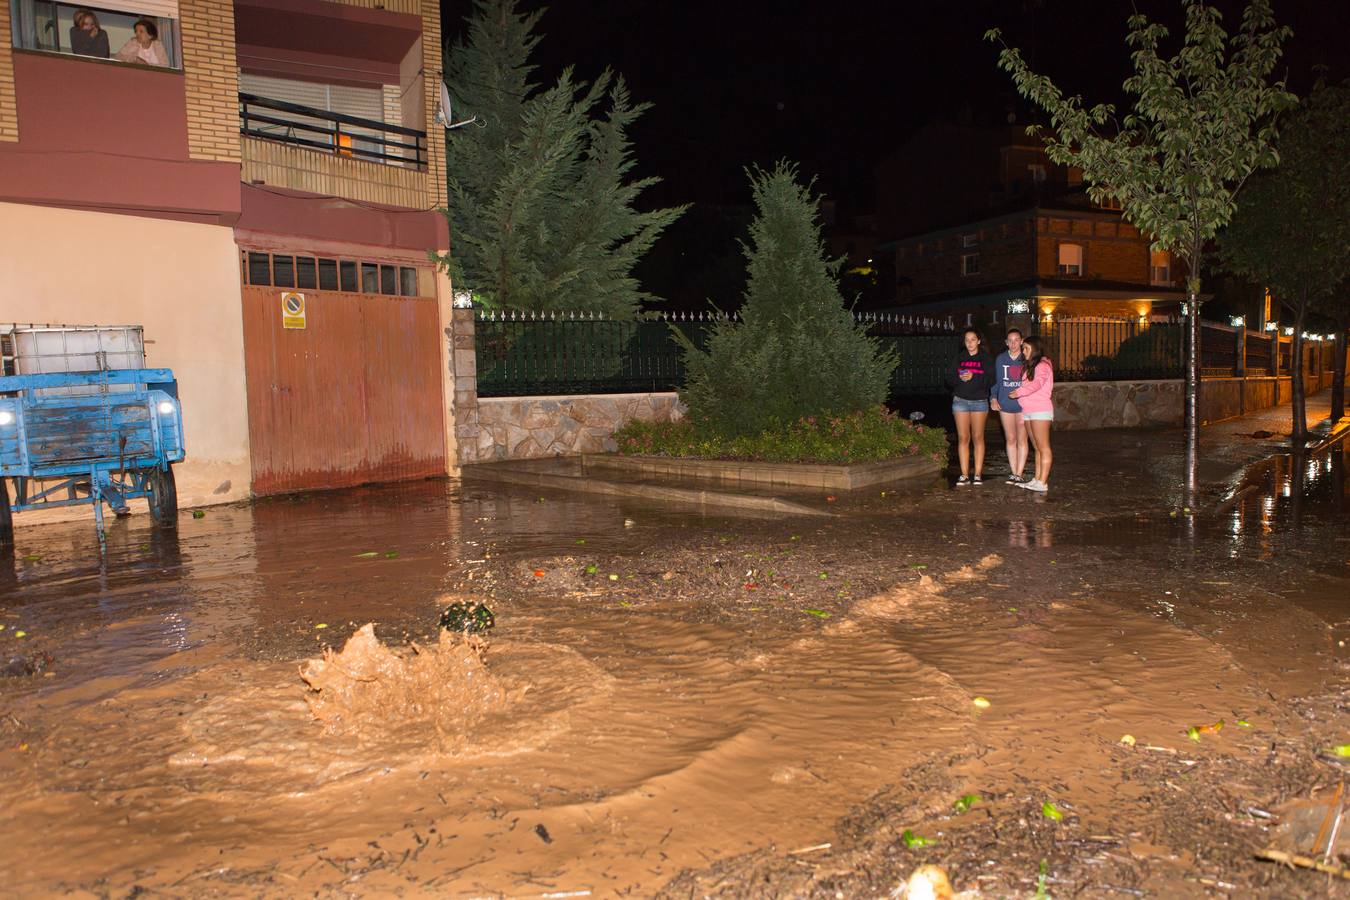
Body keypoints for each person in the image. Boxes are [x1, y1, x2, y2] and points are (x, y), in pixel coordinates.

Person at [943, 327, 994, 486]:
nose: (970, 343)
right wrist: (960, 378)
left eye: (973, 339)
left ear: (978, 341)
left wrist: (974, 376)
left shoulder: (985, 358)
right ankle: (964, 474)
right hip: (960, 402)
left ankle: (978, 474)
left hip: (979, 402)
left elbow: (991, 380)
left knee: (978, 437)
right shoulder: (958, 358)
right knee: (963, 438)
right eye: (967, 340)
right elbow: (949, 378)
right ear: (964, 342)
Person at [1009, 335, 1054, 493]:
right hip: (1029, 410)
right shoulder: (1030, 366)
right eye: (1023, 348)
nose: (1023, 351)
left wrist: (1019, 392)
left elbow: (1036, 384)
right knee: (1037, 447)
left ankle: (1043, 482)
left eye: (1026, 348)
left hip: (1040, 410)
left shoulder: (1043, 365)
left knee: (1043, 447)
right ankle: (1037, 479)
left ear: (1035, 349)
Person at [990, 328, 1028, 484]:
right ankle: (1013, 472)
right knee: (1010, 439)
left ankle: (1020, 473)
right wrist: (993, 397)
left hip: (1023, 405)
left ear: (1021, 341)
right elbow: (997, 381)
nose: (1013, 343)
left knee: (1022, 439)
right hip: (1005, 404)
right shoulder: (1000, 359)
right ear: (1006, 342)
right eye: (1010, 340)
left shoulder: (1026, 359)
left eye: (1016, 340)